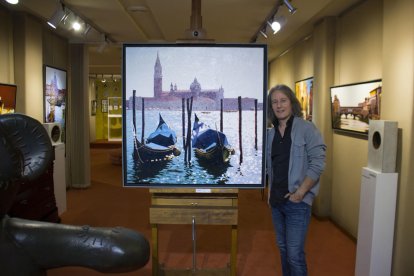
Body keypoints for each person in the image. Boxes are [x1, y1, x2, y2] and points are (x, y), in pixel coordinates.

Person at [266, 84, 326, 276]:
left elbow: (318, 163)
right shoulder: (270, 134)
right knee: (283, 250)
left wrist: (300, 193)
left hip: (297, 203)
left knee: (294, 255)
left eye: (283, 100)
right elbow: (270, 167)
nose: (279, 105)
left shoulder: (307, 129)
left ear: (292, 103)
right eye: (274, 102)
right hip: (276, 202)